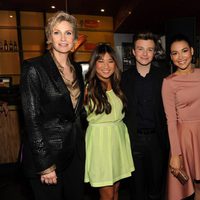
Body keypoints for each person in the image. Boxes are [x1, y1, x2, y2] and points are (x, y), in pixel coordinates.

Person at [20, 11, 85, 200]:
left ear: (75, 38)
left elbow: (75, 112)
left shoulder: (77, 69)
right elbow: (32, 121)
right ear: (49, 37)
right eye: (57, 33)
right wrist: (45, 164)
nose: (63, 38)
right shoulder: (34, 68)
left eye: (68, 33)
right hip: (48, 155)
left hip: (74, 153)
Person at [121, 32, 169, 200]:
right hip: (133, 141)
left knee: (157, 189)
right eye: (140, 49)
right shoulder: (123, 78)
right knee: (136, 190)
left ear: (154, 52)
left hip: (158, 141)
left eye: (149, 49)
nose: (145, 54)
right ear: (133, 51)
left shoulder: (164, 77)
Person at [84, 44, 135, 200]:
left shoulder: (118, 86)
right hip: (100, 145)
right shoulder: (88, 89)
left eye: (110, 61)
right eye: (101, 61)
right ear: (94, 64)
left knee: (116, 191)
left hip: (118, 142)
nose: (106, 66)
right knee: (106, 194)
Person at [162, 34, 200, 200]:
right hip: (186, 138)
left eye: (184, 51)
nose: (180, 57)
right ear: (171, 57)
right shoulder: (169, 82)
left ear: (192, 51)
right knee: (193, 184)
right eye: (175, 53)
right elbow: (170, 121)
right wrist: (175, 154)